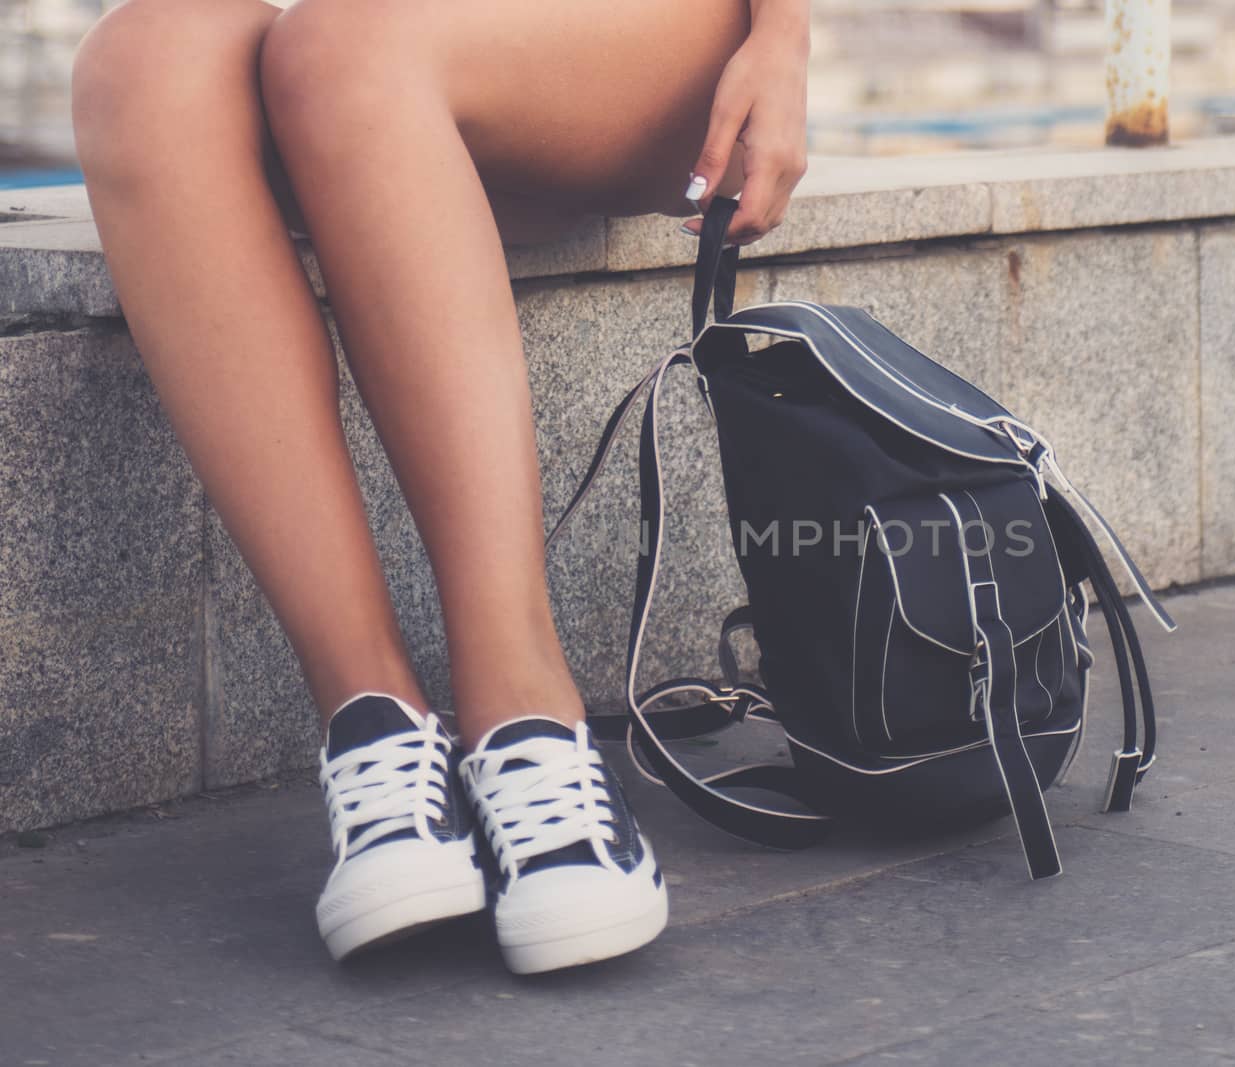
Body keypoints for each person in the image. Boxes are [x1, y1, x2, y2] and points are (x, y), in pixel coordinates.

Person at [68, 0, 809, 974]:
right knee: (142, 59)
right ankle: (373, 728)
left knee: (348, 46)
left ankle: (526, 715)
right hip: (337, 48)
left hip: (627, 39)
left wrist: (786, 38)